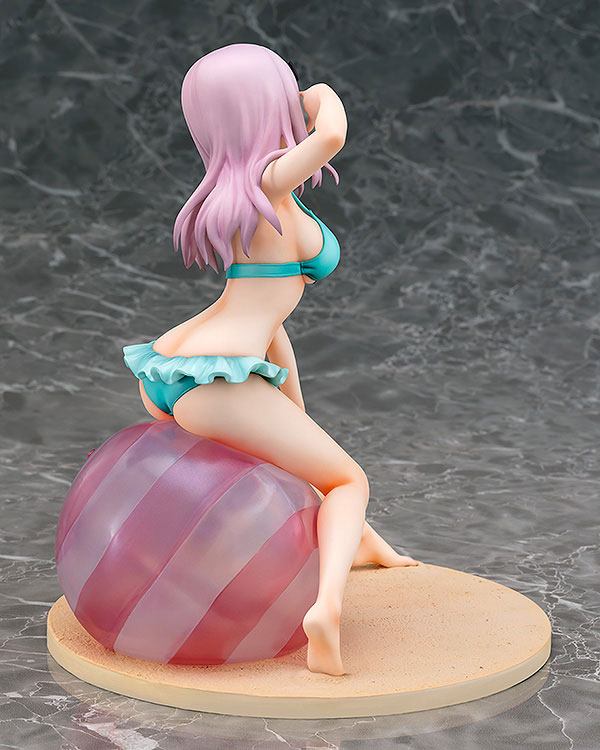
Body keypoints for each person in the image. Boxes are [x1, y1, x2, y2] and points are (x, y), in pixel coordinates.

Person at [123, 43, 419, 676]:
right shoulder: (265, 182)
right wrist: (315, 96)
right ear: (267, 106)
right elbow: (332, 134)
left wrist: (299, 417)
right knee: (350, 482)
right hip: (220, 379)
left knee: (312, 467)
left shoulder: (240, 196)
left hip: (177, 367)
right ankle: (325, 611)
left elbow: (271, 324)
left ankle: (360, 545)